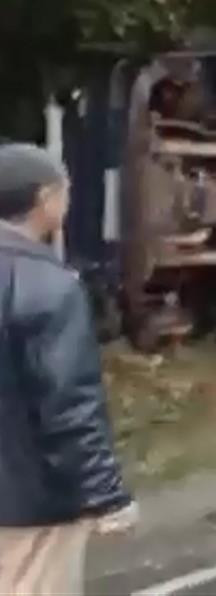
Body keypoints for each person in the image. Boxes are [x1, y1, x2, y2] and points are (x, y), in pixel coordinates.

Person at [0, 143, 137, 595]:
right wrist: (105, 495)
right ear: (45, 198)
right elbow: (67, 403)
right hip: (28, 503)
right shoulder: (46, 285)